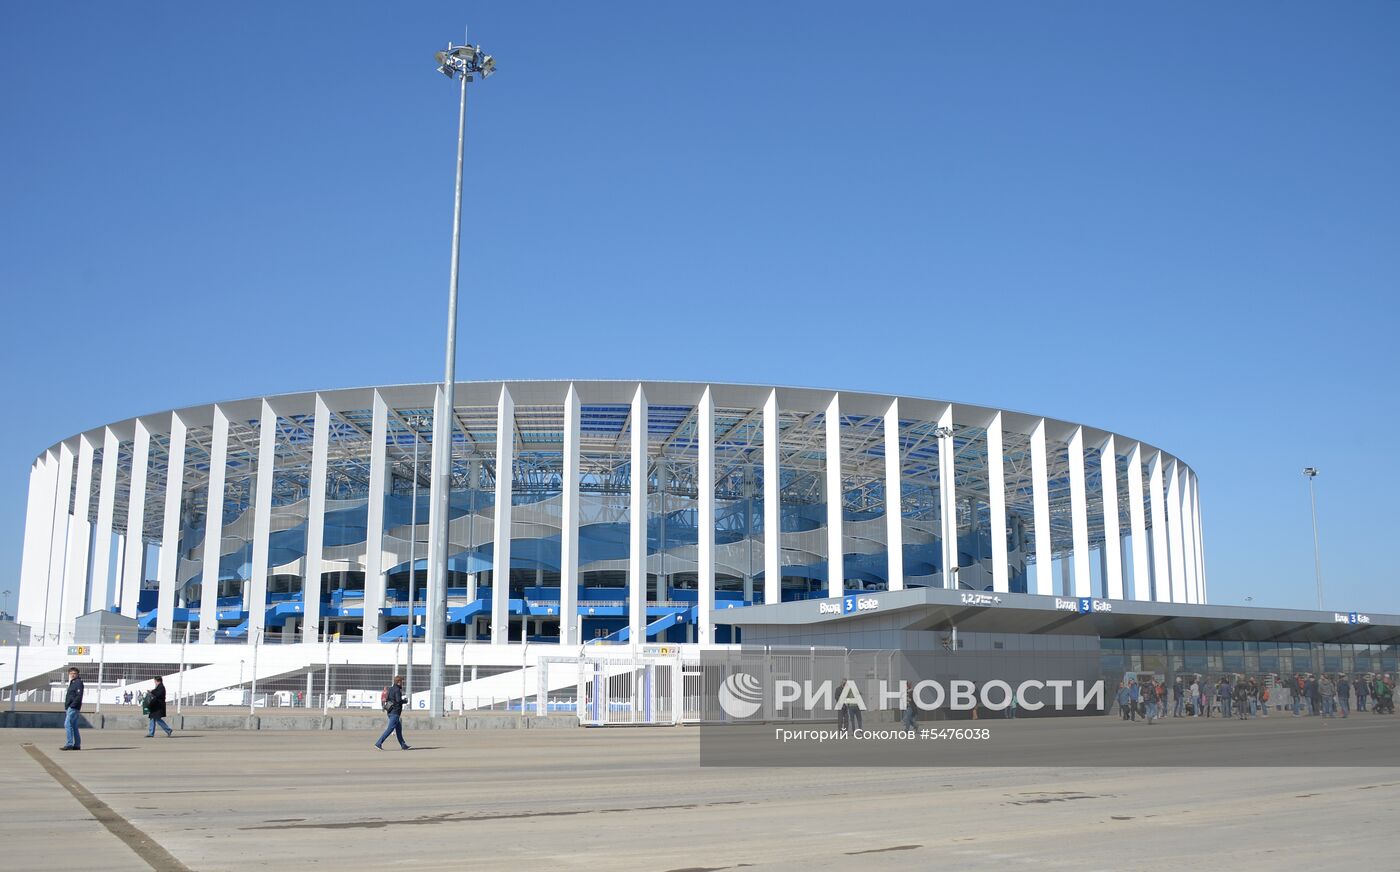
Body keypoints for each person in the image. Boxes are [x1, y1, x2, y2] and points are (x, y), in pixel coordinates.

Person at [374, 675, 412, 751]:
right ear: (398, 682)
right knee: (390, 729)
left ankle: (403, 745)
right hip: (395, 712)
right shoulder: (397, 690)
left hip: (390, 711)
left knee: (398, 729)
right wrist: (404, 701)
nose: (402, 683)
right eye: (402, 682)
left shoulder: (390, 689)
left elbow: (387, 699)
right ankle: (378, 743)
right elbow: (398, 701)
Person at [60, 667, 84, 751]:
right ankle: (77, 745)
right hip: (71, 707)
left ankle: (69, 744)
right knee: (73, 726)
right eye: (71, 673)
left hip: (73, 707)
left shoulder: (78, 683)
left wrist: (72, 706)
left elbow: (78, 696)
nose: (72, 675)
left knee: (67, 724)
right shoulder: (73, 683)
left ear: (77, 674)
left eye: (74, 673)